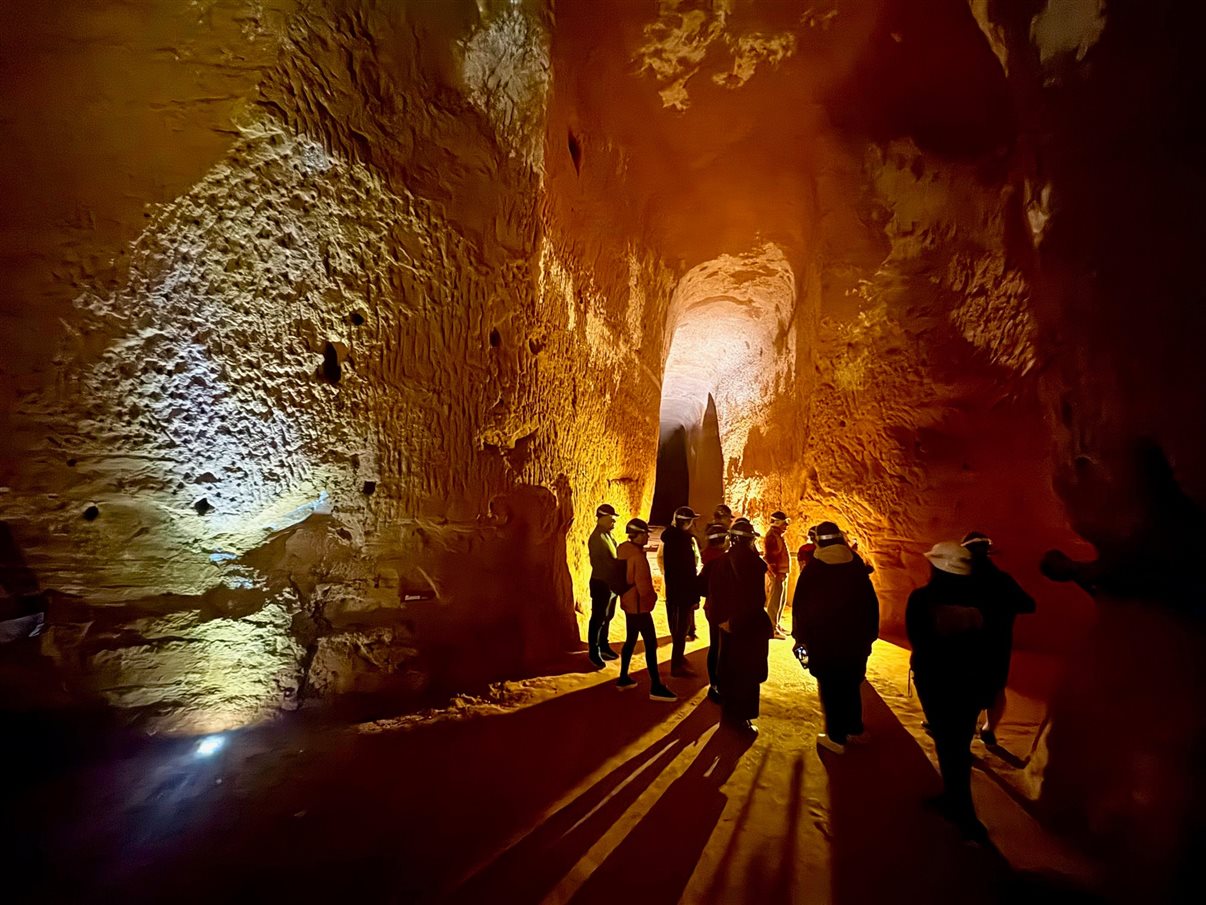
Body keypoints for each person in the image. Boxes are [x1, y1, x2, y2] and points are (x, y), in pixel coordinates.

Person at [906, 541, 991, 843]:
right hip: (970, 683)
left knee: (948, 743)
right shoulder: (982, 599)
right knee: (958, 742)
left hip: (937, 683)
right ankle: (955, 800)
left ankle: (962, 812)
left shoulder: (922, 599)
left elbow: (917, 638)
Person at [791, 521, 879, 754]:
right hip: (854, 642)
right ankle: (855, 729)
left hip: (825, 643)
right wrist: (869, 637)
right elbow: (870, 604)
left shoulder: (814, 569)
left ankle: (836, 737)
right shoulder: (856, 565)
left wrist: (800, 638)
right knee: (851, 684)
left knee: (830, 689)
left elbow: (802, 608)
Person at [962, 531, 1036, 746]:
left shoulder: (962, 581)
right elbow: (1029, 605)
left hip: (968, 645)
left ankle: (962, 732)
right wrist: (1005, 608)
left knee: (965, 688)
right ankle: (989, 729)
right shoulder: (1004, 580)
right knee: (995, 688)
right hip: (998, 645)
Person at [707, 518, 773, 734]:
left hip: (729, 626)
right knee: (747, 675)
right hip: (748, 626)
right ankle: (741, 718)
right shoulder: (754, 564)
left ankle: (728, 713)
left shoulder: (722, 562)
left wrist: (723, 621)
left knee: (729, 669)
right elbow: (755, 600)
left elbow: (714, 593)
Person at [616, 518, 677, 701]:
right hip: (639, 607)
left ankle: (623, 678)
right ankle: (656, 686)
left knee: (630, 640)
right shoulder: (638, 557)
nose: (647, 537)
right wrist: (653, 598)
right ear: (638, 534)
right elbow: (644, 588)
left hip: (628, 603)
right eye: (645, 534)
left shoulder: (622, 549)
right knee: (651, 644)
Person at [658, 506, 702, 677]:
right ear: (687, 522)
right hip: (683, 591)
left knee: (677, 627)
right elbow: (688, 570)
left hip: (673, 589)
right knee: (681, 629)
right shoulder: (683, 542)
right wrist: (694, 595)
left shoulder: (669, 539)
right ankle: (677, 665)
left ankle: (679, 659)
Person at [586, 503, 621, 667]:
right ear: (601, 518)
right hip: (601, 583)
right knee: (598, 618)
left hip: (610, 583)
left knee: (607, 617)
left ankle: (604, 645)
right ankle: (594, 652)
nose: (614, 522)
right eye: (611, 519)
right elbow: (605, 563)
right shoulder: (597, 538)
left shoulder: (607, 535)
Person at [699, 521, 729, 702]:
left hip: (711, 607)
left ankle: (714, 683)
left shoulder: (707, 558)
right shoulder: (722, 561)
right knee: (720, 647)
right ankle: (716, 684)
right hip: (721, 609)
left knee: (715, 645)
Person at [763, 511, 791, 638]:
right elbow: (771, 557)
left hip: (781, 572)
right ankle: (771, 628)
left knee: (780, 599)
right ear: (778, 523)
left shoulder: (777, 535)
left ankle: (776, 624)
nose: (786, 526)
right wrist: (775, 573)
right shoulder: (772, 537)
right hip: (777, 573)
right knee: (775, 601)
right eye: (784, 523)